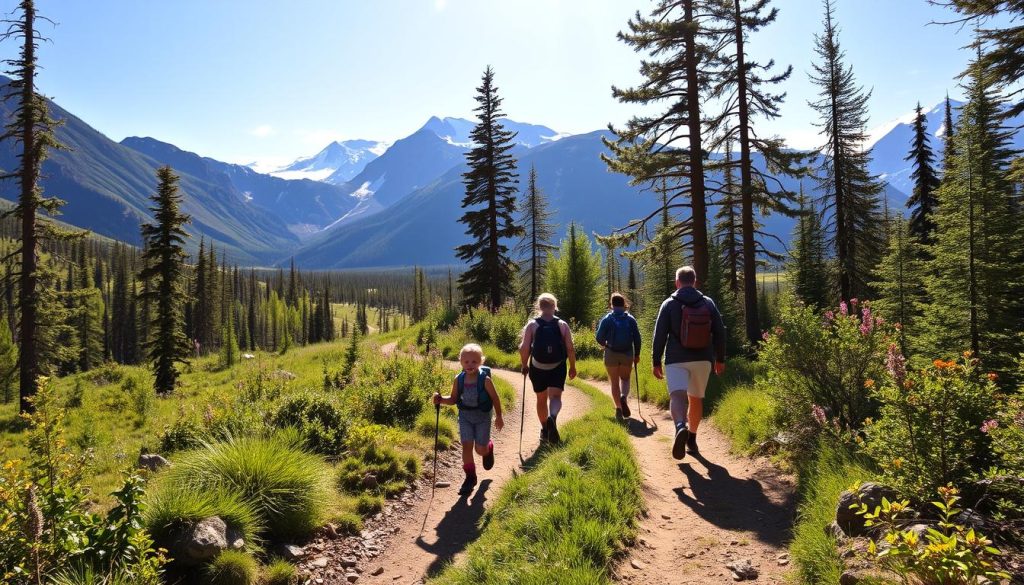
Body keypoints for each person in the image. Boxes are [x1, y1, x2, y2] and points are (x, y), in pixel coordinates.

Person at [651, 266, 726, 460]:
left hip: (676, 359)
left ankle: (679, 427)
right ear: (694, 281)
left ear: (677, 282)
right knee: (696, 399)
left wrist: (656, 361)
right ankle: (692, 439)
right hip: (703, 359)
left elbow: (659, 334)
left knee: (677, 395)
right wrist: (720, 359)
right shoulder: (708, 303)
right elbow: (720, 331)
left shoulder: (669, 304)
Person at [433, 343, 504, 496]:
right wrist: (440, 400)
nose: (470, 365)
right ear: (461, 362)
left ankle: (488, 448)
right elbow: (453, 399)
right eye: (466, 362)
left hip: (482, 417)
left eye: (474, 361)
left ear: (481, 362)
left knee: (480, 449)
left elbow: (495, 398)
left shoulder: (485, 380)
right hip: (465, 416)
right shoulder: (458, 379)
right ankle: (470, 478)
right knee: (466, 446)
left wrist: (499, 416)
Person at [519, 293, 576, 444]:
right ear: (554, 307)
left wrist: (524, 365)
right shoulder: (562, 325)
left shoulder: (532, 325)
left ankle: (544, 430)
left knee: (541, 399)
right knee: (555, 397)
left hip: (538, 367)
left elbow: (524, 348)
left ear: (538, 307)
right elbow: (570, 348)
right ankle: (553, 416)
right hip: (557, 366)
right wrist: (572, 366)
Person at [595, 292, 641, 421]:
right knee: (625, 379)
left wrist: (605, 344)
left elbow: (599, 337)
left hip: (611, 353)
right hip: (627, 353)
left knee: (614, 383)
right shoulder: (630, 319)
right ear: (624, 304)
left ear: (612, 305)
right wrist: (637, 354)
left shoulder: (607, 319)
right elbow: (637, 338)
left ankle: (618, 409)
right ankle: (623, 396)